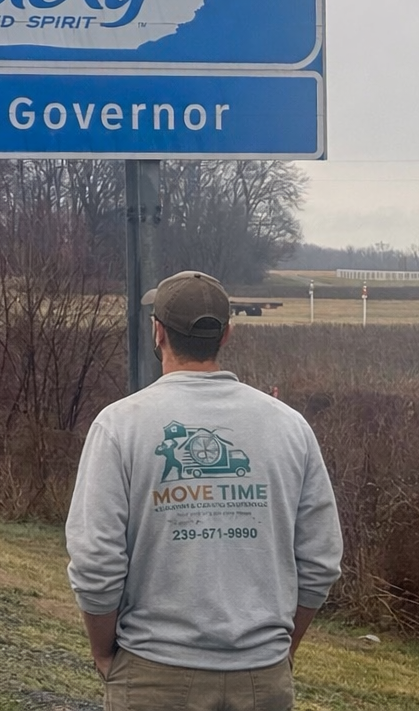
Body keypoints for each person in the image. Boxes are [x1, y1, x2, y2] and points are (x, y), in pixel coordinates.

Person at [65, 270, 343, 711]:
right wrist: (278, 652)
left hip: (153, 674)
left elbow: (96, 562)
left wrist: (103, 650)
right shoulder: (289, 427)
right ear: (227, 334)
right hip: (263, 678)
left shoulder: (120, 425)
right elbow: (321, 560)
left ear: (157, 332)